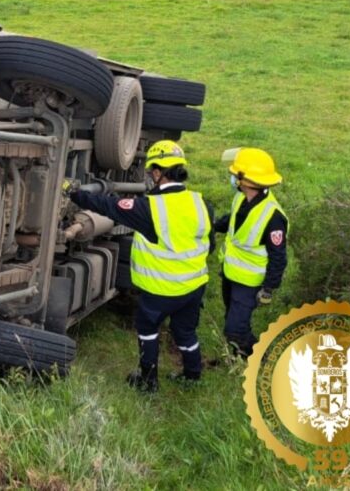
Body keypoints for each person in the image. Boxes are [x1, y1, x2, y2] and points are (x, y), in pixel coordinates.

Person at [66, 140, 213, 392]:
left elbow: (109, 206)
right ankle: (192, 375)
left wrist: (73, 192)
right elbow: (209, 243)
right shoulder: (202, 203)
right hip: (194, 286)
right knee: (185, 332)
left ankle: (148, 381)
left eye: (151, 172)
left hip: (161, 289)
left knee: (147, 330)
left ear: (157, 172)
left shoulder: (149, 208)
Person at [213, 147, 288, 359]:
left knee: (235, 329)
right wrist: (213, 225)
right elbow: (234, 220)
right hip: (231, 273)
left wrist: (269, 289)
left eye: (236, 174)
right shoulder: (242, 198)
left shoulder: (273, 218)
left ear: (245, 180)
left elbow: (278, 257)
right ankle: (235, 355)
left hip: (249, 283)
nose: (232, 177)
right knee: (231, 318)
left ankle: (263, 358)